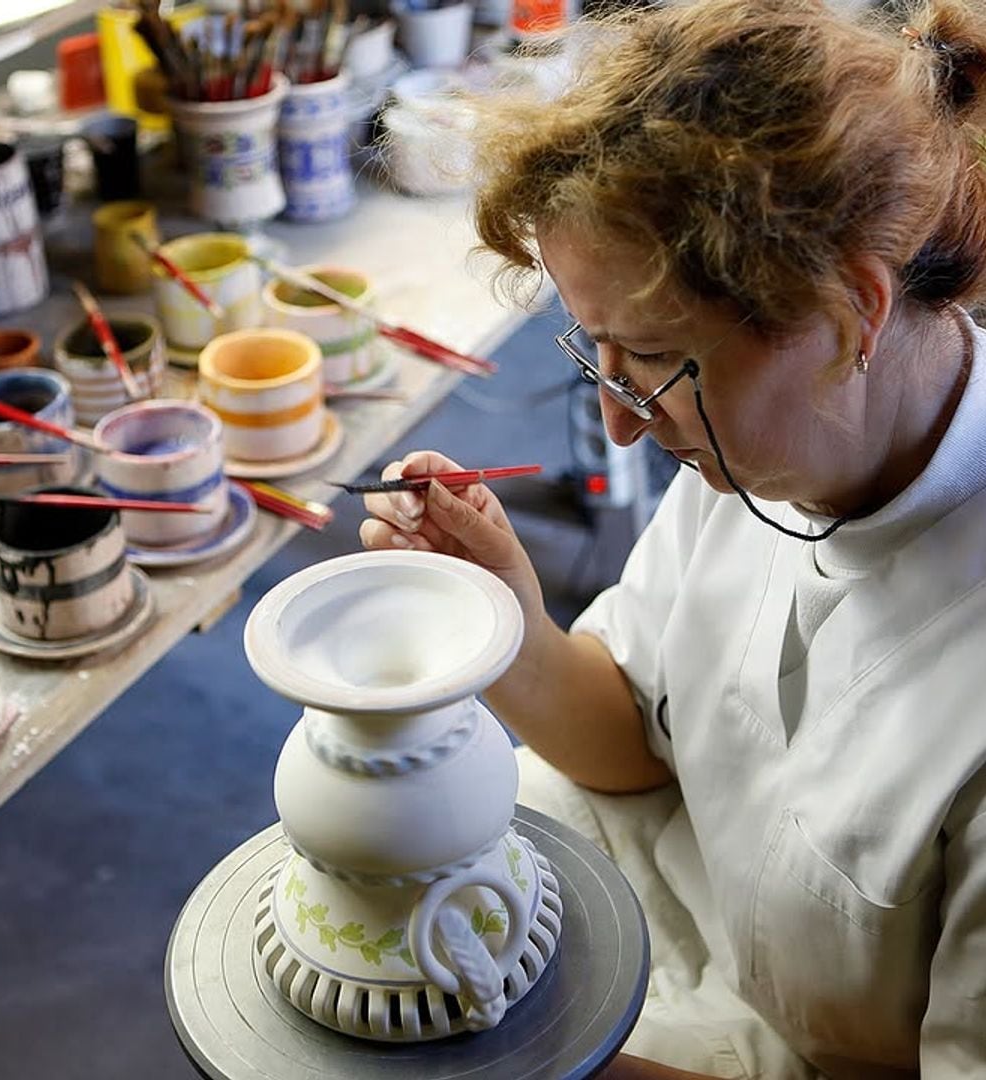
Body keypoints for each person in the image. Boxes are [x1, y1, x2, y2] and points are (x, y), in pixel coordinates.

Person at [358, 1, 986, 1076]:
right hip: (668, 958)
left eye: (650, 358)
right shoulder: (769, 451)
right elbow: (632, 748)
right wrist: (507, 617)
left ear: (852, 315)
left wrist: (562, 1062)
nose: (616, 418)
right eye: (596, 351)